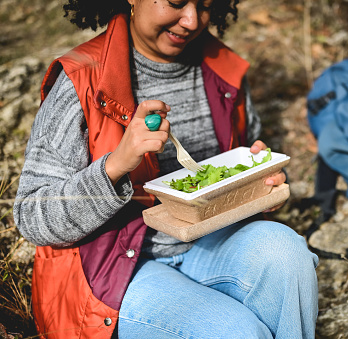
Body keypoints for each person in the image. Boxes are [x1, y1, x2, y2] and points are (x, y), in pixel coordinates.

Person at [13, 0, 319, 338]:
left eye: (205, 6)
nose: (191, 21)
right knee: (237, 330)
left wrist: (261, 183)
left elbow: (246, 152)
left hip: (210, 245)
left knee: (288, 252)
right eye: (175, 2)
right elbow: (31, 217)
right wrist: (115, 165)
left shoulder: (222, 68)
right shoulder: (81, 80)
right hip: (120, 272)